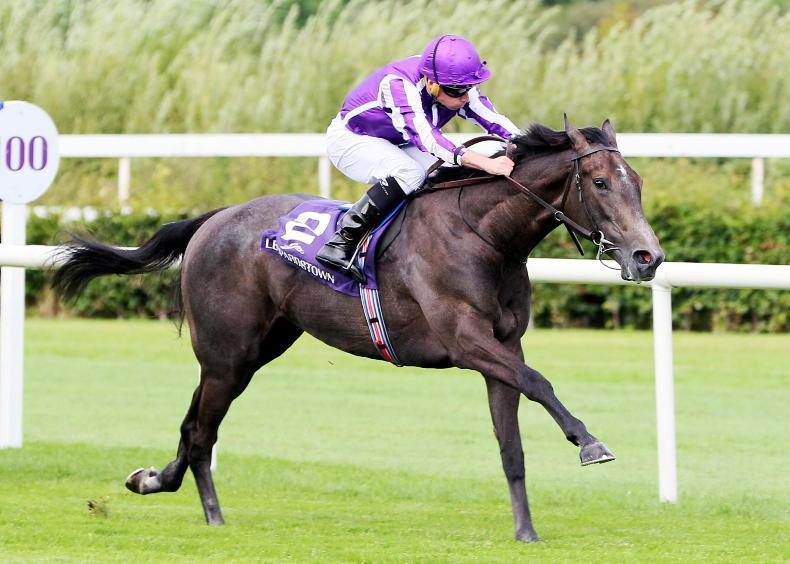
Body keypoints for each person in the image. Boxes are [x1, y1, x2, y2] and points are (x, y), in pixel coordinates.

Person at [316, 34, 520, 282]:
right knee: (411, 173)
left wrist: (529, 143)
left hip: (395, 140)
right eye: (457, 91)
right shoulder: (399, 85)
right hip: (352, 139)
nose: (465, 97)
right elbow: (428, 139)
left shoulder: (454, 80)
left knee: (441, 172)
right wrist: (487, 163)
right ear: (431, 83)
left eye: (468, 88)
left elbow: (492, 119)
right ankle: (342, 241)